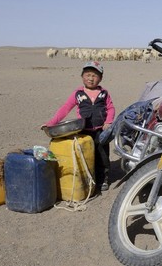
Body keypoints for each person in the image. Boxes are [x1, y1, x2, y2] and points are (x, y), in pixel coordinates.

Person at [43, 61, 115, 191]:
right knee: (86, 156)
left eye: (94, 75)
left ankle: (102, 179)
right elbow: (65, 108)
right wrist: (51, 123)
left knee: (102, 156)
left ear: (100, 78)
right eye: (87, 75)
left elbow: (110, 108)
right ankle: (88, 179)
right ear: (82, 76)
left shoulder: (104, 93)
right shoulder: (78, 93)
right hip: (84, 131)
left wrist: (108, 122)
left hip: (101, 131)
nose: (90, 78)